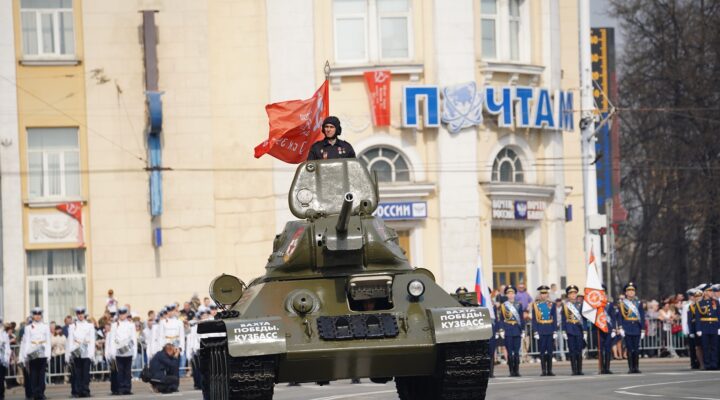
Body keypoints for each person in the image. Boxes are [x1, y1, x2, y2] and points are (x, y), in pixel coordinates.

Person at [19, 307, 51, 400]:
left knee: (41, 374)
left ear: (41, 316)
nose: (37, 316)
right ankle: (34, 393)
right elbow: (27, 341)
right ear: (33, 316)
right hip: (32, 352)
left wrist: (48, 354)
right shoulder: (28, 328)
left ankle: (41, 393)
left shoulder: (45, 326)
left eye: (39, 314)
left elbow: (48, 341)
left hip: (42, 352)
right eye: (35, 314)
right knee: (33, 374)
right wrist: (25, 355)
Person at [67, 307, 95, 398]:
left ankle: (85, 390)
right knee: (77, 373)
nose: (80, 315)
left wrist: (91, 353)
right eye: (78, 314)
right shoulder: (72, 326)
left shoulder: (89, 325)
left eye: (82, 314)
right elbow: (70, 340)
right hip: (76, 351)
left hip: (86, 351)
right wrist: (70, 352)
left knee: (86, 373)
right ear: (77, 315)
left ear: (84, 314)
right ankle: (78, 391)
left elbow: (92, 340)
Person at [108, 306, 137, 395]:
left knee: (127, 371)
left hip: (128, 351)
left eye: (124, 314)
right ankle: (120, 388)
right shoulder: (114, 325)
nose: (122, 316)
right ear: (119, 314)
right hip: (118, 351)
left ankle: (127, 388)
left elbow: (133, 338)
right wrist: (112, 352)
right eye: (120, 314)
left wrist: (134, 351)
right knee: (119, 371)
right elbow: (112, 339)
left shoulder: (131, 325)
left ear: (126, 314)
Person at [618, 282, 645, 373]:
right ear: (626, 292)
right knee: (629, 348)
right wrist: (621, 327)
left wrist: (643, 329)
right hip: (627, 327)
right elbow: (620, 316)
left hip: (637, 327)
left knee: (636, 349)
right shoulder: (622, 303)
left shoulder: (639, 303)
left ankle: (636, 367)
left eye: (633, 290)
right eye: (629, 290)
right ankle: (631, 368)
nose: (631, 292)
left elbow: (642, 316)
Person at [498, 285, 524, 377]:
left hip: (517, 329)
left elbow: (521, 318)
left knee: (516, 352)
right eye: (509, 293)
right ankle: (511, 371)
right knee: (509, 352)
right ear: (506, 295)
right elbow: (501, 319)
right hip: (508, 330)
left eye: (512, 293)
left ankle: (516, 371)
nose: (510, 295)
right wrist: (501, 329)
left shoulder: (519, 305)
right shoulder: (503, 306)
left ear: (515, 294)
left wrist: (523, 330)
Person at [531, 285, 557, 376]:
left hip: (549, 329)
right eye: (542, 293)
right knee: (542, 351)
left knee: (550, 351)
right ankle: (543, 370)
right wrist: (535, 331)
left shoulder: (552, 304)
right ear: (540, 294)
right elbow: (534, 319)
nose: (544, 295)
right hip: (541, 329)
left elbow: (555, 318)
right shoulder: (535, 305)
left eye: (545, 293)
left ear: (547, 294)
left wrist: (555, 331)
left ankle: (549, 370)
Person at [561, 285, 586, 375]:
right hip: (570, 329)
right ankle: (574, 370)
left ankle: (579, 369)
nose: (573, 295)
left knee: (579, 350)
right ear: (568, 295)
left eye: (575, 293)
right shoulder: (565, 305)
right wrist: (563, 331)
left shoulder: (580, 305)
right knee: (572, 351)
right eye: (571, 293)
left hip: (579, 329)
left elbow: (584, 319)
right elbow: (563, 319)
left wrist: (585, 331)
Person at [157, 304, 185, 384]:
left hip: (175, 346)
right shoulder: (163, 322)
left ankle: (175, 385)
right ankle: (169, 384)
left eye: (172, 311)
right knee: (168, 368)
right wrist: (161, 348)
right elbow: (161, 336)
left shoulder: (179, 322)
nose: (170, 313)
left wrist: (180, 348)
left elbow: (182, 336)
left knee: (175, 367)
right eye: (169, 311)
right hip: (167, 347)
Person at [695, 284, 719, 370]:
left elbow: (718, 315)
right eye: (709, 291)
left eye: (711, 291)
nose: (711, 292)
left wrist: (719, 327)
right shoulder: (699, 304)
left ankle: (714, 364)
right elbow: (698, 317)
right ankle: (707, 364)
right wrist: (698, 329)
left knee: (714, 347)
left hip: (714, 327)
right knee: (705, 347)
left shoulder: (715, 302)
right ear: (705, 292)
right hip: (704, 327)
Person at [684, 288, 701, 369]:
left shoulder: (699, 304)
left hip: (698, 328)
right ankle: (693, 363)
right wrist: (686, 330)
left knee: (699, 346)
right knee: (692, 348)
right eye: (693, 296)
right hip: (691, 329)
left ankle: (698, 362)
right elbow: (685, 319)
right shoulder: (687, 306)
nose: (694, 297)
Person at [0, 317, 10, 399]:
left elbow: (7, 348)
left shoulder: (4, 334)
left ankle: (1, 395)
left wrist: (6, 360)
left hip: (2, 360)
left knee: (1, 379)